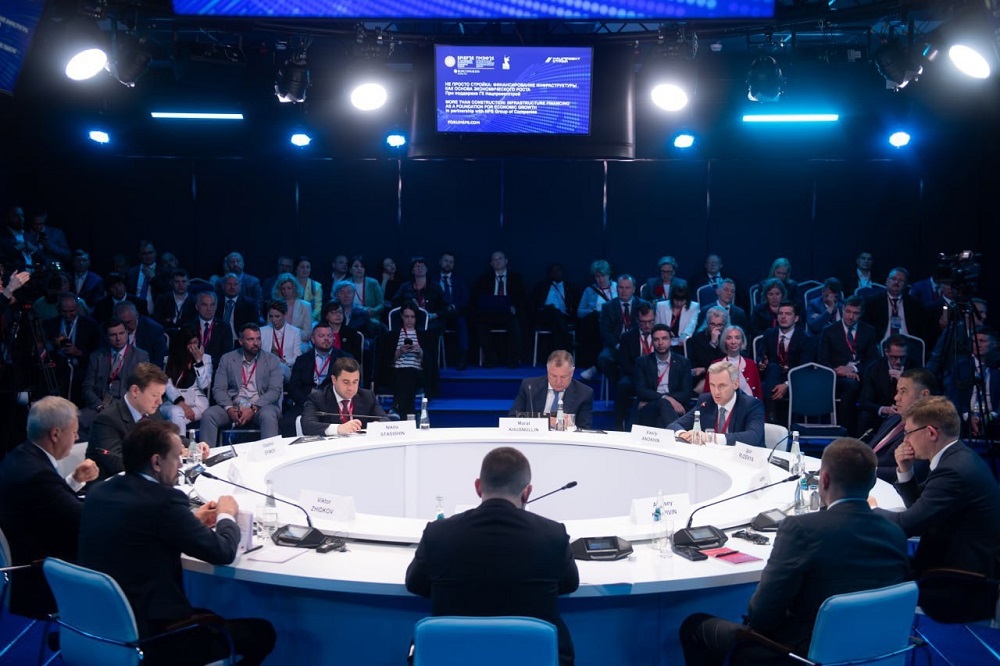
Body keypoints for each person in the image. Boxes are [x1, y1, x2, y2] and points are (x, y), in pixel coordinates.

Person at [679, 438, 909, 665]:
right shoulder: (895, 532)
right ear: (872, 483)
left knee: (696, 626)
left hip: (804, 654)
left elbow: (762, 616)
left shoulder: (802, 529)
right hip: (880, 651)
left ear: (824, 480)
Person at [78, 419, 276, 665]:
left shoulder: (99, 492)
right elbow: (223, 552)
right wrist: (226, 515)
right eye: (176, 457)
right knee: (261, 633)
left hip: (95, 628)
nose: (181, 465)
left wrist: (190, 520)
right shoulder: (164, 501)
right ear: (157, 462)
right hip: (155, 636)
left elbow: (139, 530)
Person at [405, 446, 579, 666]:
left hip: (453, 657)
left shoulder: (438, 533)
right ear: (527, 492)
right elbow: (569, 584)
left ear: (478, 487)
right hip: (531, 658)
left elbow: (415, 584)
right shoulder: (553, 535)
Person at [873, 396, 1000, 578]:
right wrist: (905, 470)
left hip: (960, 577)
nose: (905, 441)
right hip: (953, 563)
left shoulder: (953, 471)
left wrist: (867, 509)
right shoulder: (957, 456)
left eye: (908, 433)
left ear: (931, 433)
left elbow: (906, 525)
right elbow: (919, 506)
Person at [0, 396, 98, 619]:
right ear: (55, 434)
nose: (76, 438)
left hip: (22, 564)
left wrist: (74, 481)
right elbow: (84, 521)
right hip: (39, 578)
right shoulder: (38, 476)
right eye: (74, 432)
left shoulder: (19, 457)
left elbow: (47, 505)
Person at [87, 362, 206, 480]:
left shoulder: (152, 412)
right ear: (135, 391)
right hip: (112, 486)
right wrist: (165, 455)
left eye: (161, 395)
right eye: (155, 395)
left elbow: (169, 435)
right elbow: (118, 463)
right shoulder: (107, 420)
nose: (160, 402)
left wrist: (194, 447)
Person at [199, 323, 283, 446]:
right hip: (234, 405)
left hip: (261, 406)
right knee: (209, 414)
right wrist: (229, 408)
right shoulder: (227, 359)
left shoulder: (272, 360)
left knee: (268, 415)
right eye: (250, 339)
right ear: (241, 341)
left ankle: (270, 454)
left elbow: (274, 391)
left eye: (258, 339)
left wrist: (253, 408)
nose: (256, 343)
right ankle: (207, 454)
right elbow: (218, 388)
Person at [817, 295, 879, 435]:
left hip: (861, 375)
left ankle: (866, 431)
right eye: (848, 311)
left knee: (869, 384)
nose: (851, 317)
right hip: (836, 377)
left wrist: (853, 369)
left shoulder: (869, 331)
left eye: (855, 313)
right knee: (851, 385)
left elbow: (873, 360)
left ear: (861, 314)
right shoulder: (829, 331)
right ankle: (845, 430)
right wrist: (838, 371)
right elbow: (822, 360)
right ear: (842, 309)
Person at [864, 367, 937, 483]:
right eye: (897, 391)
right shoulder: (895, 418)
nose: (896, 397)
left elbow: (910, 473)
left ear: (924, 395)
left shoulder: (926, 431)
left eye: (903, 392)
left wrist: (863, 471)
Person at [669, 361, 765, 446]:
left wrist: (711, 438)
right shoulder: (706, 401)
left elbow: (753, 436)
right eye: (712, 385)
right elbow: (674, 425)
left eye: (722, 386)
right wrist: (683, 434)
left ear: (736, 384)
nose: (716, 392)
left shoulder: (751, 405)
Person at [80, 317, 150, 431]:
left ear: (127, 332)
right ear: (106, 337)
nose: (118, 338)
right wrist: (99, 406)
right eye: (113, 335)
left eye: (121, 333)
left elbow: (144, 388)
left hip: (127, 408)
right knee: (77, 421)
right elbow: (87, 388)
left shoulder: (140, 356)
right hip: (101, 406)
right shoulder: (96, 357)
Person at [759, 301, 816, 423]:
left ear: (796, 318)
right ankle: (772, 416)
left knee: (766, 386)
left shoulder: (806, 339)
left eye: (788, 314)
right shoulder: (769, 334)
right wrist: (761, 364)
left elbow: (804, 368)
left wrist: (786, 384)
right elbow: (761, 356)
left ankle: (770, 418)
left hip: (795, 380)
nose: (783, 317)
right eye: (780, 313)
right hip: (772, 377)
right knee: (772, 368)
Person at [509, 349, 594, 430]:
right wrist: (547, 420)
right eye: (553, 376)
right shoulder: (529, 386)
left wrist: (571, 425)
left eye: (563, 377)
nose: (558, 381)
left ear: (572, 372)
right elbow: (513, 418)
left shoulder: (584, 393)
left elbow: (585, 429)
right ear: (547, 369)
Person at [301, 356, 386, 436]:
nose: (351, 388)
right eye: (346, 382)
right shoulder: (318, 399)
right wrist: (338, 429)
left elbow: (384, 420)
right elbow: (307, 426)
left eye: (355, 382)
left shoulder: (367, 397)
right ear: (334, 380)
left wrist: (376, 426)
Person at [471, 251, 528, 368]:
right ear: (491, 263)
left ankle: (513, 360)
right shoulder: (484, 278)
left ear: (506, 261)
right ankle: (490, 359)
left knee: (516, 323)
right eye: (495, 260)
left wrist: (515, 307)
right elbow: (477, 298)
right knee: (480, 324)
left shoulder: (516, 278)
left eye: (500, 258)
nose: (498, 261)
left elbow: (522, 298)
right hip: (490, 313)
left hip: (509, 313)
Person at [633, 325, 694, 428]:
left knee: (661, 419)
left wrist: (666, 400)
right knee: (663, 403)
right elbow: (641, 390)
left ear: (670, 341)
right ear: (652, 342)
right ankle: (678, 433)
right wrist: (665, 398)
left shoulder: (683, 362)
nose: (660, 343)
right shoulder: (642, 362)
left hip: (675, 406)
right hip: (650, 407)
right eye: (656, 339)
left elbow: (686, 393)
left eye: (664, 338)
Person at [380, 302, 432, 420]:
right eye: (406, 316)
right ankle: (410, 414)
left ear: (416, 318)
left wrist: (420, 352)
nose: (409, 320)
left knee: (409, 373)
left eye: (412, 317)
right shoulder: (391, 336)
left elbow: (431, 363)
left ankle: (396, 408)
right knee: (404, 374)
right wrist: (398, 352)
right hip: (395, 373)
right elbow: (384, 361)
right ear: (401, 317)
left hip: (417, 373)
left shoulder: (424, 336)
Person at [161, 328, 213, 434]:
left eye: (195, 342)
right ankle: (181, 442)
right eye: (190, 343)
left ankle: (177, 442)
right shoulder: (170, 359)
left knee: (170, 422)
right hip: (174, 403)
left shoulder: (206, 359)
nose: (193, 347)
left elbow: (204, 385)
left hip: (197, 405)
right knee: (176, 412)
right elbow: (168, 386)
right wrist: (181, 404)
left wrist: (199, 362)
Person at [857, 334, 910, 436]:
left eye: (902, 357)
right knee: (865, 416)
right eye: (894, 357)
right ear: (886, 352)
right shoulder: (874, 369)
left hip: (907, 413)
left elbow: (921, 399)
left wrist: (904, 380)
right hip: (883, 413)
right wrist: (883, 409)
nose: (898, 361)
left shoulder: (915, 368)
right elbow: (864, 401)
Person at [576, 259, 616, 379]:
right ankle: (593, 365)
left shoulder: (618, 287)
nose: (600, 279)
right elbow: (580, 312)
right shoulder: (590, 291)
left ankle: (596, 368)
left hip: (614, 323)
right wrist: (591, 311)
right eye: (597, 276)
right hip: (595, 323)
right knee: (592, 321)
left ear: (609, 275)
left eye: (603, 276)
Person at [531, 263, 579, 358]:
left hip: (563, 317)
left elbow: (575, 304)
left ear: (562, 272)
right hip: (545, 315)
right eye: (553, 271)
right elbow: (534, 302)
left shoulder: (569, 287)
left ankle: (558, 356)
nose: (555, 273)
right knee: (553, 310)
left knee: (557, 319)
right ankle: (568, 343)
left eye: (558, 271)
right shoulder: (542, 286)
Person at [434, 251, 471, 370]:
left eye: (451, 262)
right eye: (446, 261)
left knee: (461, 321)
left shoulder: (460, 280)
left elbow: (465, 299)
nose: (448, 264)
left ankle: (463, 358)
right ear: (440, 262)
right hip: (439, 313)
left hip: (455, 312)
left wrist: (454, 306)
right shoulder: (432, 279)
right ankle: (433, 359)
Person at [183, 291, 233, 370]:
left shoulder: (224, 328)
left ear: (216, 307)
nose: (209, 309)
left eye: (212, 305)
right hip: (192, 369)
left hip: (217, 369)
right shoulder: (187, 328)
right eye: (204, 305)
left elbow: (227, 354)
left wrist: (208, 363)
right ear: (197, 307)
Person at [687, 306, 729, 393]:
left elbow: (725, 362)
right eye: (712, 324)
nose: (715, 328)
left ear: (725, 325)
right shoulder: (698, 339)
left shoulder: (729, 339)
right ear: (707, 323)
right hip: (703, 376)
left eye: (719, 325)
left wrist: (704, 369)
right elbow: (701, 362)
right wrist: (713, 343)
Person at [115, 300, 168, 368]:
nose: (125, 326)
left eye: (128, 322)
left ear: (136, 315)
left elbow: (161, 358)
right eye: (121, 323)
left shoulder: (153, 330)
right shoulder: (111, 331)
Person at [259, 299, 303, 382]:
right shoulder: (262, 331)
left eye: (277, 316)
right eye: (271, 316)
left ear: (285, 315)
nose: (273, 320)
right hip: (266, 369)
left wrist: (285, 361)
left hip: (286, 369)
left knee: (279, 369)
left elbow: (298, 358)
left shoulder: (295, 332)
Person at [716, 325, 762, 400]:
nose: (733, 342)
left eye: (737, 338)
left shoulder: (751, 364)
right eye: (729, 338)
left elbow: (758, 394)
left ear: (742, 341)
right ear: (724, 341)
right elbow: (708, 396)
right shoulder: (716, 365)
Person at [654, 284, 699, 353]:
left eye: (682, 301)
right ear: (672, 298)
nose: (679, 303)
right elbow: (657, 325)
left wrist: (685, 335)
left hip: (682, 342)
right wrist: (666, 331)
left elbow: (692, 323)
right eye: (676, 300)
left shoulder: (694, 306)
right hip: (664, 341)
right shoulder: (661, 306)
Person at [347, 256, 386, 321]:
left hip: (370, 318)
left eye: (362, 266)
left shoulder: (373, 283)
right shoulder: (345, 284)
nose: (359, 268)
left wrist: (372, 311)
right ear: (350, 270)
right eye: (356, 266)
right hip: (350, 318)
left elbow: (381, 305)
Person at [294, 255, 323, 321]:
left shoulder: (316, 286)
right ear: (296, 269)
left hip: (311, 319)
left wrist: (310, 318)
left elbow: (318, 307)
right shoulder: (289, 284)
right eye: (302, 267)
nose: (305, 270)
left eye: (308, 267)